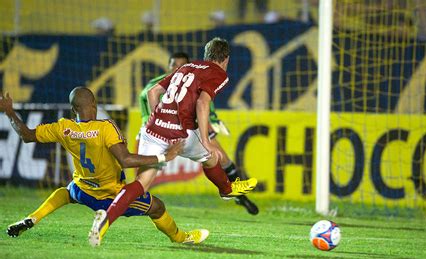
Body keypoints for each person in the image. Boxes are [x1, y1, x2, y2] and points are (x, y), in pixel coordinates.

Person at [89, 37, 258, 246]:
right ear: (226, 59)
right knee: (213, 155)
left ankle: (104, 221)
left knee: (141, 184)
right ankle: (226, 189)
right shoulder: (218, 72)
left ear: (206, 54)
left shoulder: (186, 67)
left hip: (153, 129)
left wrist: (158, 117)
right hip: (181, 132)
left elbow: (153, 92)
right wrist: (205, 139)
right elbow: (203, 103)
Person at [1, 87, 208, 246]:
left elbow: (26, 135)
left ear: (74, 109)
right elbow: (125, 160)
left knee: (66, 193)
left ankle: (31, 219)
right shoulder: (106, 128)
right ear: (95, 104)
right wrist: (163, 156)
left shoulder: (63, 127)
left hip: (83, 190)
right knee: (157, 207)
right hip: (112, 195)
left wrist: (9, 111)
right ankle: (181, 238)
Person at [138, 52, 259, 215]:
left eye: (179, 65)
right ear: (168, 65)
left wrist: (213, 122)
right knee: (143, 179)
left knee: (221, 158)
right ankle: (132, 200)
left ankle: (241, 198)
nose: (176, 68)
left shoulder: (195, 77)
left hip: (189, 126)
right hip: (159, 130)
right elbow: (145, 96)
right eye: (173, 64)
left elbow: (206, 104)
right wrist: (151, 118)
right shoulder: (158, 82)